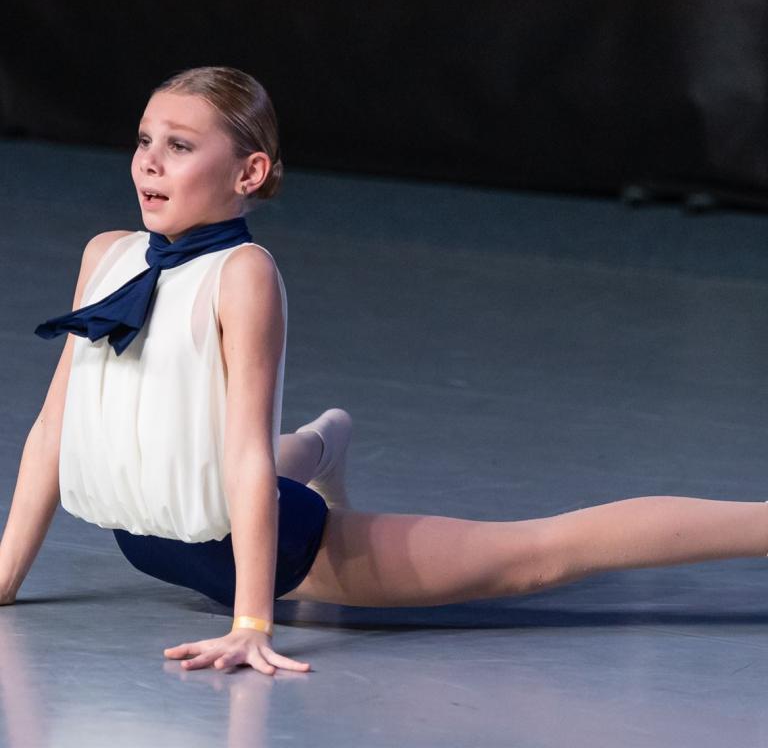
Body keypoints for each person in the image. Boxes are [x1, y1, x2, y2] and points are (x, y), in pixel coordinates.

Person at [2, 66, 767, 678]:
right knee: (239, 464)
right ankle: (324, 441)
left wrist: (251, 622)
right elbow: (53, 430)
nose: (147, 160)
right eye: (144, 139)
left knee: (533, 556)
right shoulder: (106, 255)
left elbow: (243, 458)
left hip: (280, 555)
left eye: (179, 145)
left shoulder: (242, 275)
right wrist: (5, 579)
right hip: (154, 534)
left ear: (248, 171)